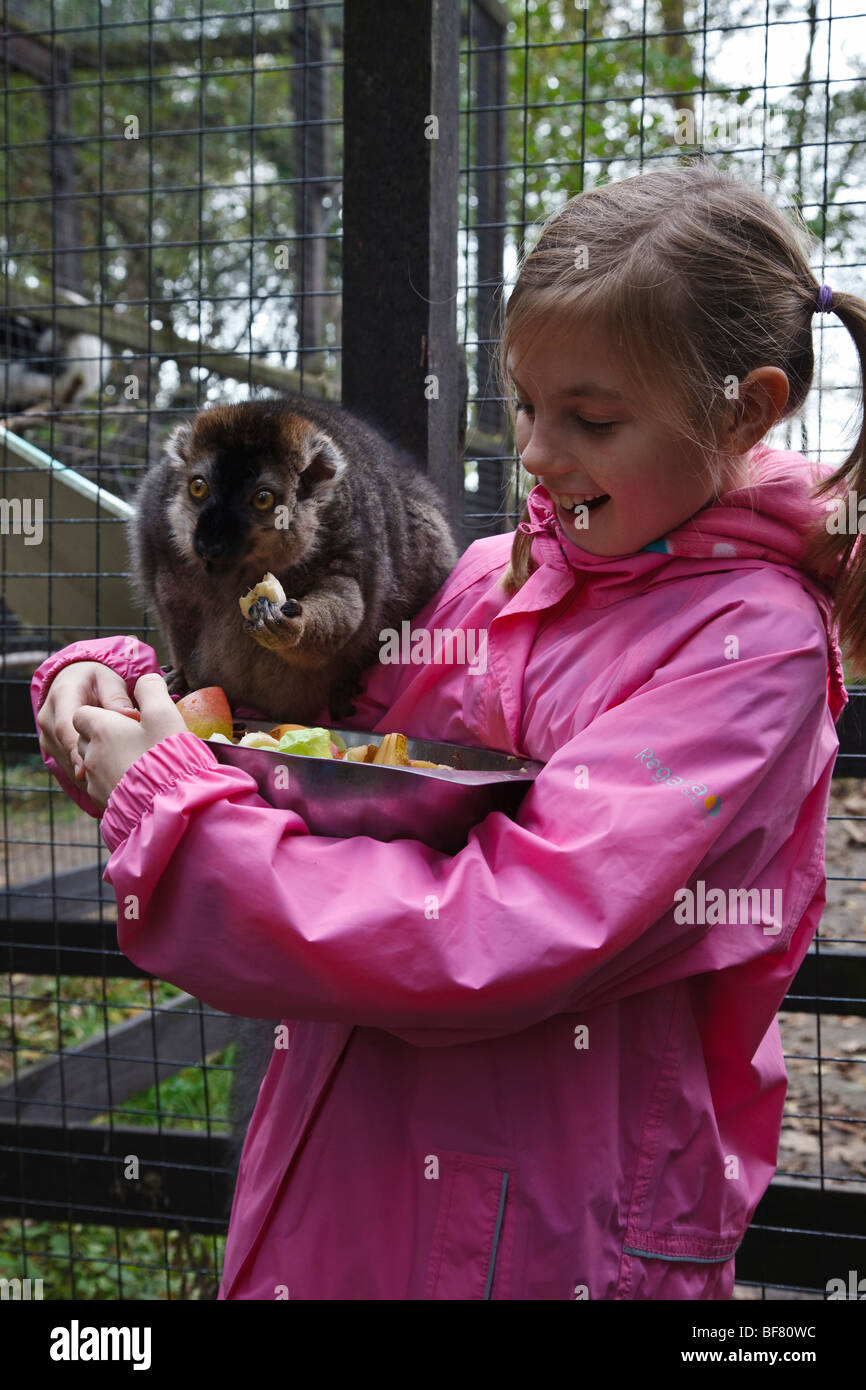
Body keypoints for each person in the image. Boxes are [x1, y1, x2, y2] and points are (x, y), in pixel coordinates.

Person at [32, 160, 866, 1300]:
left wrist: (170, 809)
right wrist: (111, 691)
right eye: (525, 404)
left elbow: (503, 929)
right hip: (339, 1172)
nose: (535, 452)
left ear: (748, 406)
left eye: (592, 417)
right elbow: (308, 743)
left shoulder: (748, 649)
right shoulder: (487, 577)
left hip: (539, 1240)